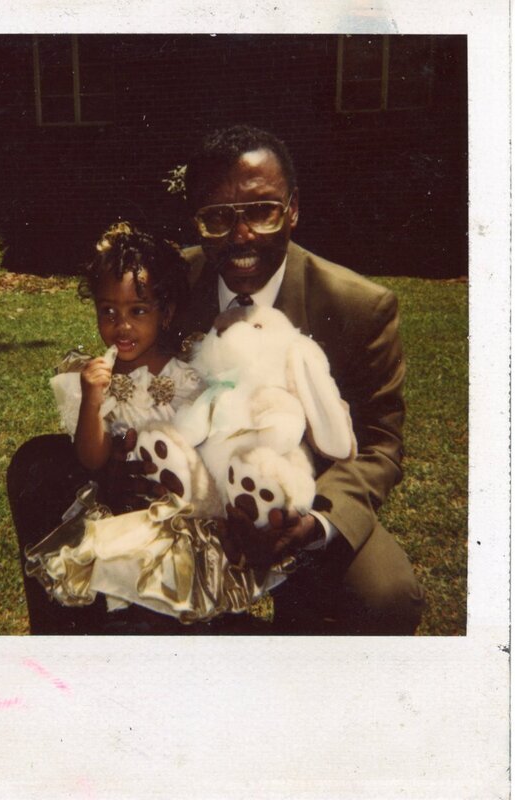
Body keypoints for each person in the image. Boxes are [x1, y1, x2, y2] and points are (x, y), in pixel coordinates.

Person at [160, 124, 424, 634]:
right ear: (196, 221)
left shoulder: (359, 306)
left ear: (293, 208)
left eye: (262, 211)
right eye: (217, 217)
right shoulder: (169, 285)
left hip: (306, 493)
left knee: (386, 597)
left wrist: (313, 524)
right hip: (192, 491)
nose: (240, 236)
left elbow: (379, 445)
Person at [8, 222, 267, 634]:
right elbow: (90, 457)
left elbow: (210, 445)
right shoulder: (98, 377)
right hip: (125, 513)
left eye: (137, 311)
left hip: (183, 514)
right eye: (107, 311)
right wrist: (93, 399)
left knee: (179, 600)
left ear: (165, 313)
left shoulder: (189, 374)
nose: (121, 325)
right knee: (125, 601)